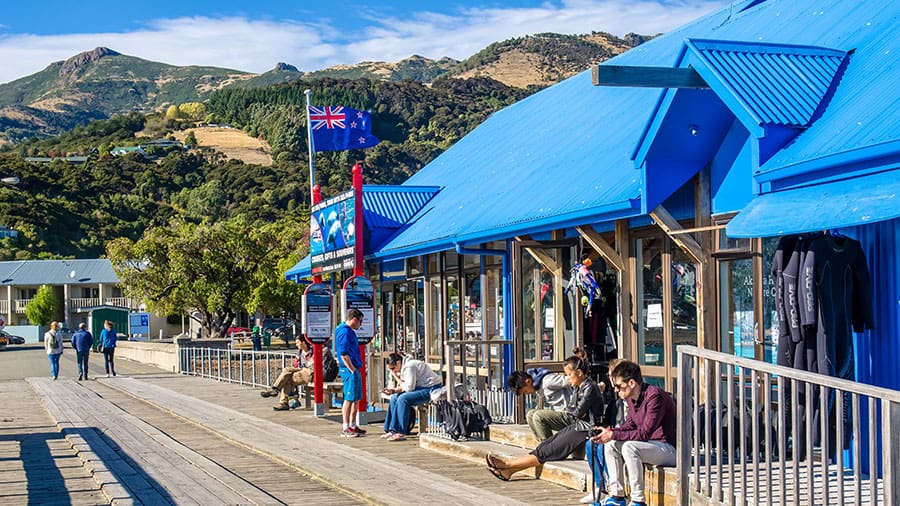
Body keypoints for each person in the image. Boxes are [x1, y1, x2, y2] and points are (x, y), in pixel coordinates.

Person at [485, 354, 605, 481]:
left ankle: (508, 465)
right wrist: (574, 410)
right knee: (544, 446)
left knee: (546, 447)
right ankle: (509, 471)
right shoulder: (578, 388)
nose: (568, 378)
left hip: (586, 429)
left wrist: (574, 410)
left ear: (579, 373)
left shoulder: (589, 387)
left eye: (569, 374)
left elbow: (575, 412)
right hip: (578, 426)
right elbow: (574, 410)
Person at [593, 361, 677, 506]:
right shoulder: (632, 399)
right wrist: (609, 432)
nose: (616, 390)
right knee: (611, 445)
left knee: (629, 447)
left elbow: (643, 433)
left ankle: (638, 500)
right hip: (651, 446)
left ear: (631, 383)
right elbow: (629, 426)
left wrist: (613, 434)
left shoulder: (654, 396)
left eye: (618, 386)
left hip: (670, 448)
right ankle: (617, 496)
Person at [381, 352, 442, 441]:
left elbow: (409, 388)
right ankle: (391, 429)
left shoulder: (409, 367)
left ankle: (401, 432)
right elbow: (406, 386)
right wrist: (393, 391)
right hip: (420, 387)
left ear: (398, 363)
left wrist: (395, 377)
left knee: (403, 399)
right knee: (394, 398)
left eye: (393, 368)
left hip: (431, 389)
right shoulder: (404, 366)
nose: (393, 371)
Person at [507, 366, 573, 441]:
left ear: (528, 381)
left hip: (571, 415)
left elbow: (573, 380)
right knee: (530, 414)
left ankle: (549, 449)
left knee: (538, 416)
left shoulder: (548, 381)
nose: (527, 394)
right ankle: (543, 444)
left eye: (525, 391)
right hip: (561, 415)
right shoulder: (537, 387)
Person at [335, 308, 365, 437]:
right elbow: (343, 354)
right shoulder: (344, 332)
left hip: (354, 368)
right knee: (349, 398)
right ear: (354, 319)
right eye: (360, 321)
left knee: (356, 398)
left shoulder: (350, 331)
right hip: (349, 369)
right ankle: (346, 427)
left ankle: (353, 425)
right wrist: (352, 370)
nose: (361, 324)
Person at [261, 337, 313, 410]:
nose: (296, 344)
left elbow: (311, 365)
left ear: (304, 343)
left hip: (309, 372)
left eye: (298, 342)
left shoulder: (311, 351)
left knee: (287, 377)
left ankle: (278, 393)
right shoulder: (300, 352)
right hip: (300, 370)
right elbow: (295, 365)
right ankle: (281, 399)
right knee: (287, 373)